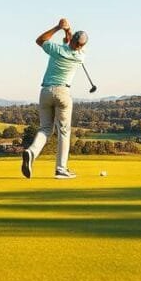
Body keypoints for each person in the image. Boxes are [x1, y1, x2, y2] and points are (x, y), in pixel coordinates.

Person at [21, 18, 88, 179]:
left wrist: (58, 27)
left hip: (45, 92)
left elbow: (40, 40)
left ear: (71, 40)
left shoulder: (56, 49)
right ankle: (61, 169)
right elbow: (70, 43)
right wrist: (67, 31)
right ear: (82, 46)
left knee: (45, 128)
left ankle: (32, 152)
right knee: (64, 132)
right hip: (63, 93)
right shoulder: (80, 57)